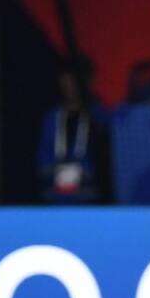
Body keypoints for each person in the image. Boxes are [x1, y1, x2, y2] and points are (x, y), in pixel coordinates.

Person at [35, 55, 113, 204]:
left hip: (90, 205)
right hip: (54, 205)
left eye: (76, 78)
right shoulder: (50, 119)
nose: (70, 83)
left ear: (90, 81)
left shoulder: (102, 118)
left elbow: (104, 166)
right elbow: (43, 161)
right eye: (66, 78)